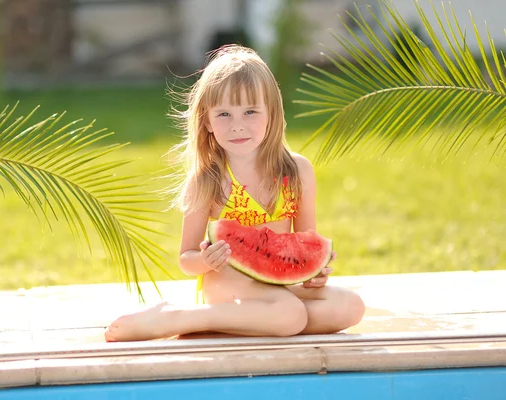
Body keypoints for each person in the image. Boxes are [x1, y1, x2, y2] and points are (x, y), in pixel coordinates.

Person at [105, 45, 365, 342]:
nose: (238, 125)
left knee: (349, 307)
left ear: (272, 114)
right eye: (224, 114)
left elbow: (303, 242)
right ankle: (176, 318)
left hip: (280, 284)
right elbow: (186, 258)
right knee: (290, 314)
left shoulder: (298, 172)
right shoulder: (207, 180)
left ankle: (243, 322)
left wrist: (316, 272)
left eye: (250, 112)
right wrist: (206, 261)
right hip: (227, 283)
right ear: (206, 121)